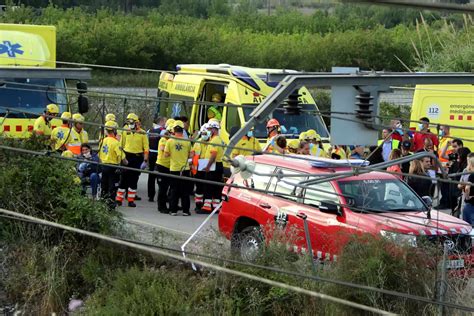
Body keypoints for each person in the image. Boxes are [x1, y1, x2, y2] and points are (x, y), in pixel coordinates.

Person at [116, 113, 149, 207]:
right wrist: (121, 159)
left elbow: (146, 148)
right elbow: (120, 146)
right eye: (129, 121)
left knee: (134, 179)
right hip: (127, 156)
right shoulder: (125, 131)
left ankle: (131, 200)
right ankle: (119, 199)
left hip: (137, 157)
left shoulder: (142, 132)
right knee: (123, 179)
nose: (130, 124)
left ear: (137, 122)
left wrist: (145, 161)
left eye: (132, 121)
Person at [165, 120, 192, 216]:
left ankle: (173, 210)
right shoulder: (187, 141)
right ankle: (185, 211)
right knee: (185, 191)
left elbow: (166, 154)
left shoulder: (169, 141)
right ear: (182, 130)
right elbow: (190, 155)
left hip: (174, 169)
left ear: (174, 129)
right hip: (185, 169)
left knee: (174, 190)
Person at [99, 121, 127, 209]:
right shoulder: (116, 142)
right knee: (113, 186)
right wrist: (126, 163)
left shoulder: (103, 140)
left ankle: (102, 202)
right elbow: (122, 157)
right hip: (113, 167)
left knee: (104, 185)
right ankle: (110, 204)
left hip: (104, 165)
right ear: (114, 130)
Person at [202, 120, 225, 212]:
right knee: (216, 187)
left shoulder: (215, 140)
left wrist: (207, 166)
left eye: (210, 129)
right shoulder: (217, 139)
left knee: (209, 186)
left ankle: (207, 207)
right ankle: (216, 207)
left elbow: (213, 155)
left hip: (214, 165)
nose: (208, 130)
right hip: (217, 165)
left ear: (214, 129)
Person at [156, 119, 174, 213]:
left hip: (168, 166)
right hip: (162, 165)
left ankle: (169, 204)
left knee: (167, 187)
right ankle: (161, 206)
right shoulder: (163, 139)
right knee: (162, 188)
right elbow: (163, 149)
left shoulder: (170, 140)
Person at [147, 116, 166, 202]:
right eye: (165, 121)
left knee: (151, 175)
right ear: (161, 122)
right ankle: (161, 195)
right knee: (160, 175)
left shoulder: (149, 131)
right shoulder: (163, 131)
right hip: (158, 154)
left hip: (150, 154)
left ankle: (151, 196)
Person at [191, 124, 210, 212]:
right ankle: (198, 205)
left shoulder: (212, 143)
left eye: (205, 133)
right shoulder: (197, 142)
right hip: (198, 168)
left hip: (208, 168)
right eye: (202, 133)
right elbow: (192, 154)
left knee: (207, 188)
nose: (204, 135)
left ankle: (206, 206)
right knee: (199, 188)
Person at [460, 153, 474, 225]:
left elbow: (467, 188)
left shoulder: (472, 175)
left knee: (468, 225)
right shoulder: (466, 171)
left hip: (470, 203)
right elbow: (460, 185)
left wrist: (467, 197)